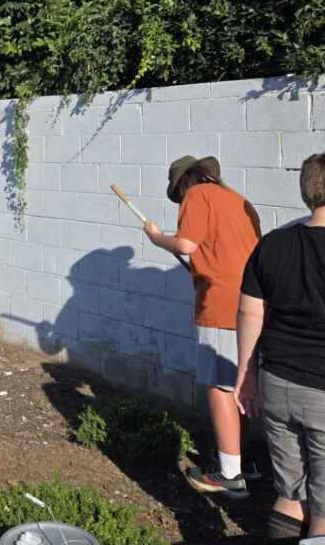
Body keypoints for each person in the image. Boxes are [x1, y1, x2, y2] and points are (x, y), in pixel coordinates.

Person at [143, 155, 261, 497]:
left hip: (221, 304)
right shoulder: (238, 200)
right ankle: (245, 461)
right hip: (253, 304)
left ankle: (229, 475)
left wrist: (157, 238)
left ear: (183, 185)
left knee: (219, 387)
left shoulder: (197, 195)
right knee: (240, 383)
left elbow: (186, 244)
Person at [235, 153, 325, 542]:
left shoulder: (272, 243)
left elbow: (248, 311)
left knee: (291, 493)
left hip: (276, 384)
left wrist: (247, 372)